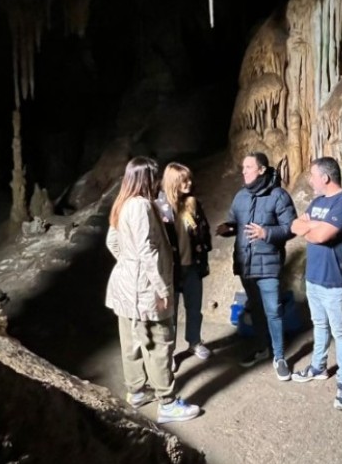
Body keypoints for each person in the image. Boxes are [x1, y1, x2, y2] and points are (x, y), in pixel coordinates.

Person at [105, 156, 200, 423]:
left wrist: (126, 264)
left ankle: (136, 391)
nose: (158, 181)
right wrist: (161, 288)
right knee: (160, 343)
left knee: (133, 342)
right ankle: (167, 403)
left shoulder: (123, 203)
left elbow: (112, 240)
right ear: (147, 178)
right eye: (155, 176)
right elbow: (147, 251)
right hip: (145, 290)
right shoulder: (142, 206)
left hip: (126, 288)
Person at [216, 152, 296, 380]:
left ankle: (279, 356)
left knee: (273, 311)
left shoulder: (279, 196)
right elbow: (236, 223)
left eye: (248, 167)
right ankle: (263, 348)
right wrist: (227, 229)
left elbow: (291, 228)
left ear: (261, 170)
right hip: (245, 264)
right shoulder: (240, 196)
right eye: (243, 167)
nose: (244, 171)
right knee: (257, 312)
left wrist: (267, 232)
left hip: (268, 264)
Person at [290, 157, 342, 411]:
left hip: (334, 280)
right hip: (314, 277)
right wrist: (313, 226)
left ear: (326, 178)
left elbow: (319, 235)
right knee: (319, 325)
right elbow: (295, 225)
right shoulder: (318, 201)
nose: (311, 180)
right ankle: (318, 367)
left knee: (340, 331)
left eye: (313, 175)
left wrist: (312, 227)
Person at [157, 162, 212, 362]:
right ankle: (168, 353)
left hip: (192, 265)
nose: (189, 183)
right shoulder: (159, 208)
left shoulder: (193, 204)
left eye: (189, 179)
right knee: (169, 314)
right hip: (170, 269)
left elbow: (203, 231)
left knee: (194, 308)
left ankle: (195, 342)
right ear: (173, 182)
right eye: (184, 180)